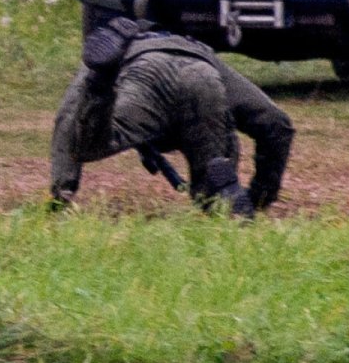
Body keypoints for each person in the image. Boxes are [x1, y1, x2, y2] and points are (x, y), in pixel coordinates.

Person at [49, 16, 294, 216]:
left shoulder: (112, 51)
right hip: (201, 73)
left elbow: (68, 118)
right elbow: (277, 124)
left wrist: (62, 191)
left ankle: (99, 86)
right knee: (213, 195)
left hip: (144, 74)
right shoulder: (195, 49)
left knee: (87, 145)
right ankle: (225, 197)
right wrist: (261, 196)